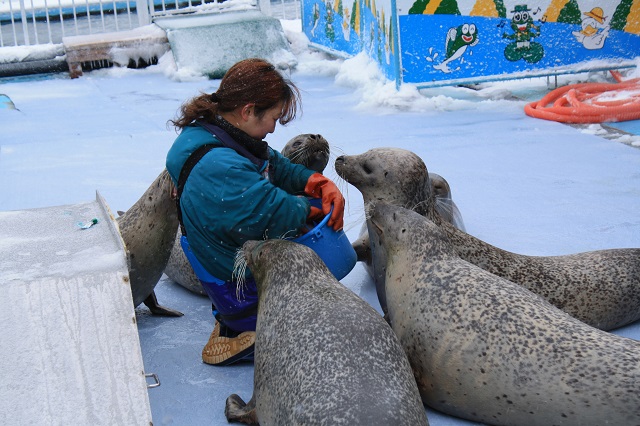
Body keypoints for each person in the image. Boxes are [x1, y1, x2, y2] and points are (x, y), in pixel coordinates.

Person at [166, 58, 345, 366]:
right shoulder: (220, 166)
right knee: (322, 335)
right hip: (232, 276)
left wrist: (312, 180)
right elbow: (274, 213)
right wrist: (313, 206)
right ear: (248, 111)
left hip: (215, 250)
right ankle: (239, 330)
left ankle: (236, 322)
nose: (274, 129)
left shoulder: (213, 131)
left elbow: (271, 161)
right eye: (273, 118)